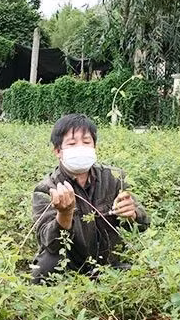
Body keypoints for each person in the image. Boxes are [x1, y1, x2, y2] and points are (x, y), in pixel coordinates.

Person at [31, 114, 150, 284]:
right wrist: (64, 215)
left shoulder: (114, 178)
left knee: (143, 275)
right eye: (72, 143)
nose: (80, 148)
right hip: (69, 264)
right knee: (43, 270)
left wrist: (133, 214)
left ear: (95, 147)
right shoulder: (46, 189)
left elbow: (144, 224)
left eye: (86, 142)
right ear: (58, 151)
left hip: (109, 263)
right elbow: (49, 243)